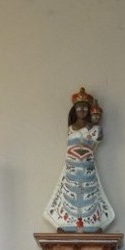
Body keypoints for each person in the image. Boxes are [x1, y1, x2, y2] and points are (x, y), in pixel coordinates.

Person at [43, 87, 115, 232]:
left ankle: (92, 222)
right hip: (72, 165)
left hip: (87, 166)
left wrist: (94, 126)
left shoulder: (93, 128)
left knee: (91, 193)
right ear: (74, 110)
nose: (82, 111)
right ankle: (66, 222)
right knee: (68, 191)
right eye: (79, 108)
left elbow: (97, 139)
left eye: (85, 108)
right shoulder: (71, 128)